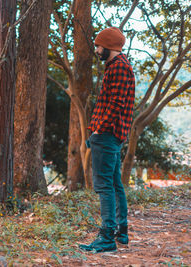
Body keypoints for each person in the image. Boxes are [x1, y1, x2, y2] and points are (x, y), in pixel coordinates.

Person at [79, 27, 135, 253]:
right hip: (108, 133)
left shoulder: (120, 67)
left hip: (108, 134)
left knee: (104, 186)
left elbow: (116, 105)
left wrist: (98, 130)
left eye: (98, 45)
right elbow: (107, 103)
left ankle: (107, 238)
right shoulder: (115, 66)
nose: (96, 49)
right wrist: (94, 128)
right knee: (113, 184)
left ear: (109, 46)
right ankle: (120, 231)